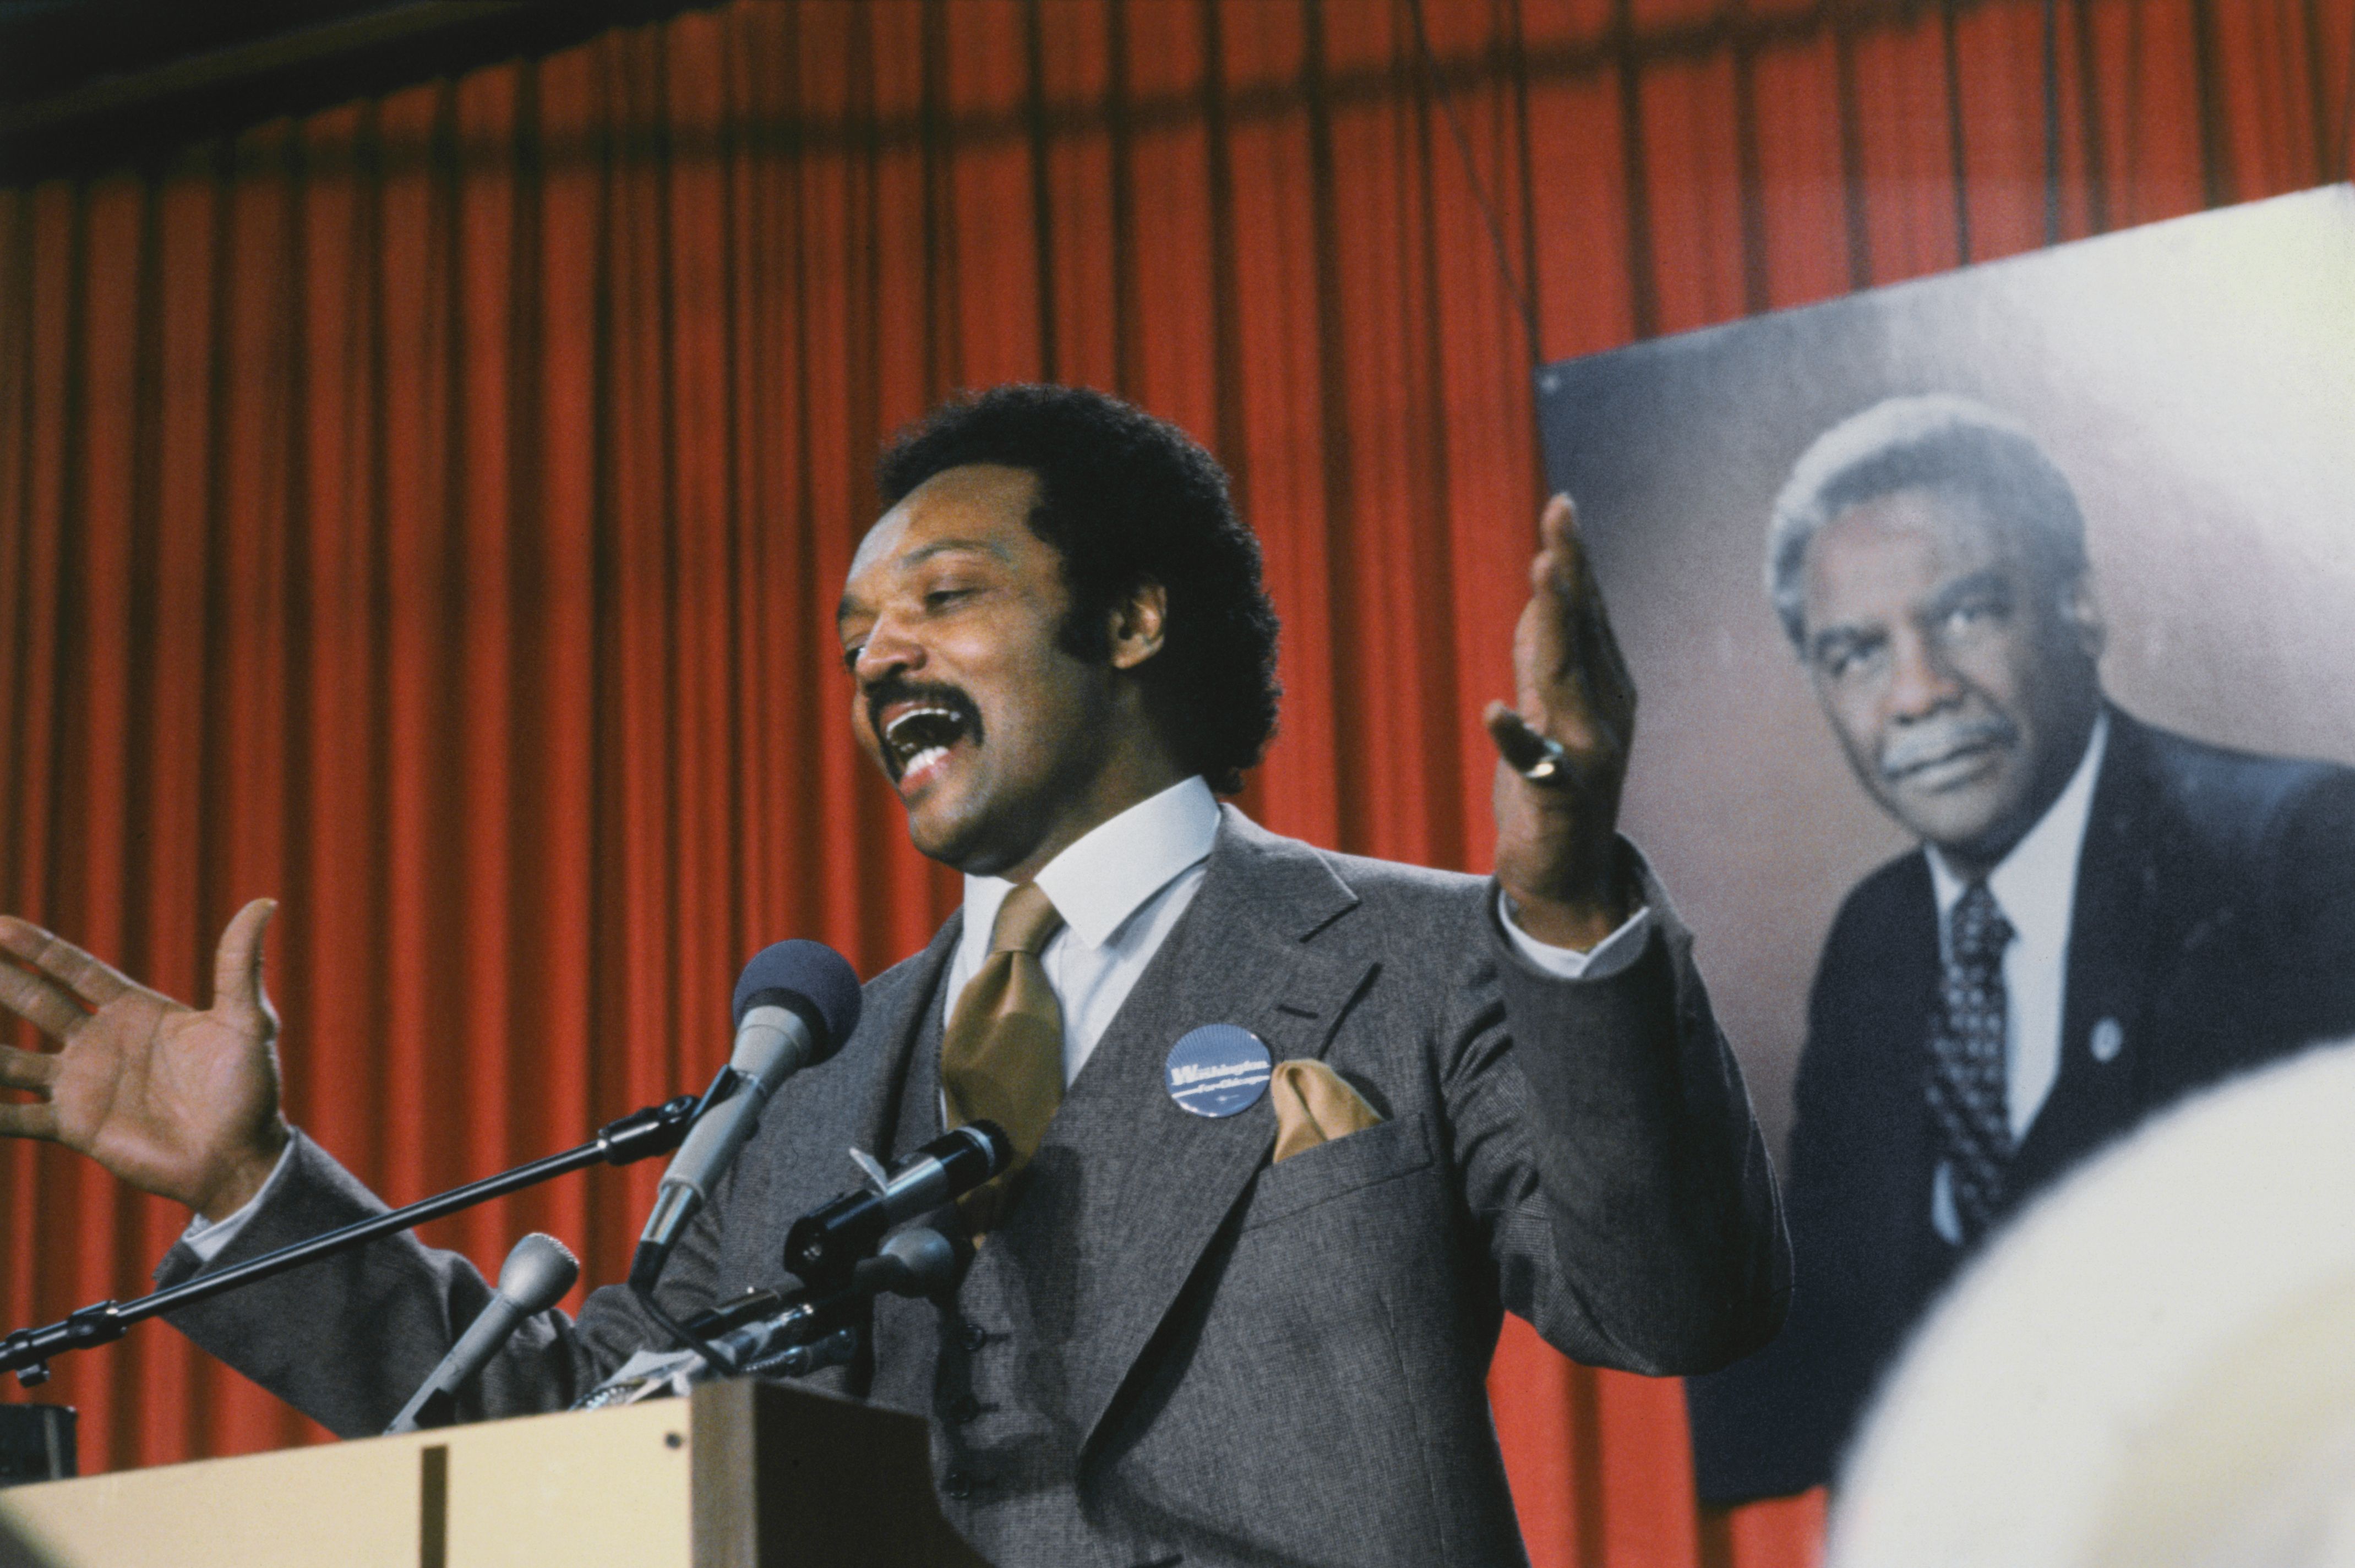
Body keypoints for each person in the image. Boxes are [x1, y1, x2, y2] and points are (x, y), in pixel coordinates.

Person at [0, 385, 1786, 1567]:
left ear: (1132, 619)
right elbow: (579, 1435)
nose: (877, 658)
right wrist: (252, 1189)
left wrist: (1564, 917)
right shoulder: (806, 1081)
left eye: (940, 596)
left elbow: (1669, 1306)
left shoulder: (1409, 957)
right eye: (854, 635)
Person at [1684, 393, 2355, 1504]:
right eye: (1856, 653)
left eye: (1965, 614)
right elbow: (1836, 1356)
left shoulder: (2290, 854)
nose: (1919, 693)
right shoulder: (1877, 939)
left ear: (2080, 607)